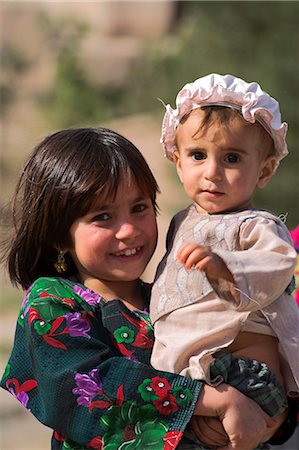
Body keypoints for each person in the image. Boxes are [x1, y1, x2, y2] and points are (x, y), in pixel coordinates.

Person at [0, 127, 276, 450]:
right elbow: (82, 383)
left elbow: (247, 357)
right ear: (60, 235)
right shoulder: (52, 302)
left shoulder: (174, 301)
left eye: (140, 208)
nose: (128, 230)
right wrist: (210, 400)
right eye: (103, 217)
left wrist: (264, 418)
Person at [150, 74, 299, 446]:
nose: (212, 172)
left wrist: (224, 266)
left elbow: (279, 263)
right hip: (195, 377)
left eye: (231, 158)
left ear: (264, 171)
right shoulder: (181, 222)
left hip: (244, 375)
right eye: (198, 155)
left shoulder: (256, 226)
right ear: (177, 161)